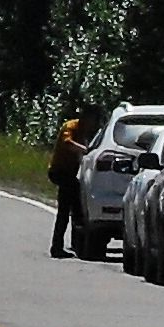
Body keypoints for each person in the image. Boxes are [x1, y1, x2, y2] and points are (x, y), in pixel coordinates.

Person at [49, 110, 102, 258]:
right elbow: (67, 142)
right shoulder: (71, 126)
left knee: (73, 205)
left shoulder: (86, 134)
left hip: (71, 173)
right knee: (67, 208)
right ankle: (57, 246)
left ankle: (74, 243)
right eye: (92, 120)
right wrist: (85, 150)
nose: (93, 125)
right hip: (59, 171)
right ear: (85, 118)